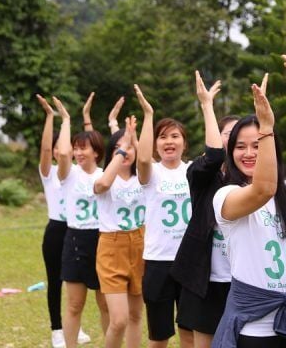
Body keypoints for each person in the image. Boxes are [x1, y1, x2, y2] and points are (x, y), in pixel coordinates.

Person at [211, 74, 286, 348]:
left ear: (272, 149)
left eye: (258, 145)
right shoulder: (225, 197)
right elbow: (263, 189)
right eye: (240, 147)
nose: (249, 153)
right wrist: (265, 127)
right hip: (256, 326)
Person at [172, 71, 239, 348]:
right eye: (228, 134)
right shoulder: (200, 173)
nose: (233, 140)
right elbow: (213, 156)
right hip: (205, 280)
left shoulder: (253, 181)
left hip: (241, 281)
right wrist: (206, 105)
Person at [135, 85, 193, 348]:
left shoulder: (194, 171)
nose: (169, 142)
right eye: (162, 137)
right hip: (158, 261)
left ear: (184, 142)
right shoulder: (151, 174)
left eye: (174, 136)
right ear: (155, 144)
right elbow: (143, 158)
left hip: (190, 261)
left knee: (190, 332)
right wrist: (148, 116)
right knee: (159, 336)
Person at [53, 96, 110, 348]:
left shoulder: (105, 175)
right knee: (74, 304)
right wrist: (65, 119)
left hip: (103, 240)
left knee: (105, 303)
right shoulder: (69, 174)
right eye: (76, 148)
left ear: (96, 152)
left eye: (83, 148)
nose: (77, 153)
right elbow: (62, 152)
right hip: (75, 240)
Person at [36, 95, 92, 347]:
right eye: (59, 147)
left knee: (77, 282)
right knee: (55, 280)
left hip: (78, 230)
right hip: (56, 230)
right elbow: (46, 149)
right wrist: (50, 117)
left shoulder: (79, 173)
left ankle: (74, 327)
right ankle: (56, 329)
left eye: (66, 146)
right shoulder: (49, 173)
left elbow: (94, 149)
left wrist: (87, 119)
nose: (61, 150)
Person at [94, 114, 145, 348]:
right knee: (119, 320)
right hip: (111, 247)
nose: (124, 152)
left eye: (128, 148)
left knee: (136, 315)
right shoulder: (105, 177)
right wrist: (123, 148)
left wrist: (133, 140)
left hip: (141, 243)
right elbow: (101, 186)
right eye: (116, 148)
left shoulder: (145, 178)